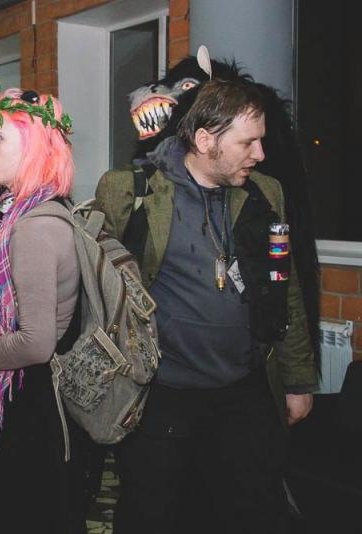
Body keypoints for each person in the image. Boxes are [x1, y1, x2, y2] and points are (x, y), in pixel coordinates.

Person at [94, 78, 317, 534]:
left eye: (261, 141)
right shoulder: (130, 192)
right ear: (204, 139)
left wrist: (298, 380)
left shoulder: (265, 193)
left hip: (244, 395)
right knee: (154, 516)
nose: (260, 154)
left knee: (244, 514)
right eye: (248, 142)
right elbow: (96, 289)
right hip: (160, 398)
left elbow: (286, 288)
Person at [0, 84, 87, 533]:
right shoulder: (27, 215)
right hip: (23, 400)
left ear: (33, 149)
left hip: (29, 413)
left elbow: (36, 342)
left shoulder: (33, 229)